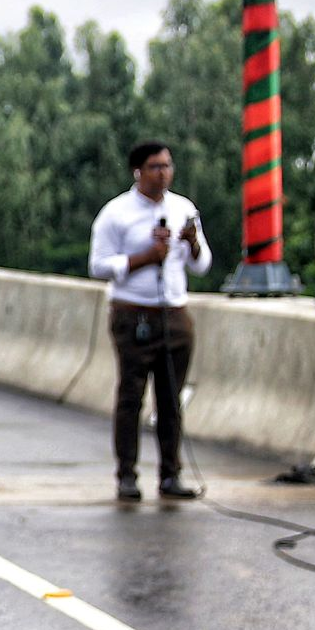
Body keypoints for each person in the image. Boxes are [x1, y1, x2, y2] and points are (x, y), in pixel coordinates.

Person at [88, 141, 209, 502]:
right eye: (156, 167)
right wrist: (144, 257)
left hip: (174, 316)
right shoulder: (116, 213)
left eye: (168, 166)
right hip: (133, 315)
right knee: (131, 397)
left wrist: (193, 244)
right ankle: (127, 475)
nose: (164, 173)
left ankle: (170, 476)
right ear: (138, 171)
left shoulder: (183, 208)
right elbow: (98, 266)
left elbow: (202, 266)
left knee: (171, 399)